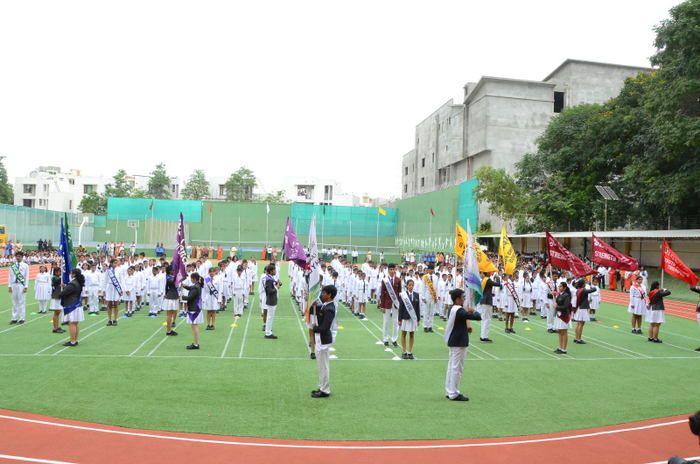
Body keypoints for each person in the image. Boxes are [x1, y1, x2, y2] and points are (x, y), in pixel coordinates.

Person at [443, 288, 482, 402]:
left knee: (452, 367)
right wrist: (473, 311)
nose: (464, 299)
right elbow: (478, 317)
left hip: (454, 341)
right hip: (458, 342)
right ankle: (453, 393)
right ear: (457, 299)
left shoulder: (453, 308)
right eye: (463, 297)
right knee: (456, 367)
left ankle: (449, 390)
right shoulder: (459, 310)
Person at [311, 285, 337, 398]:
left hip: (324, 339)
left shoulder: (330, 308)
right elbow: (316, 310)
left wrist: (314, 328)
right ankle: (322, 386)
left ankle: (325, 389)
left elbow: (325, 327)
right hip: (320, 339)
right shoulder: (325, 305)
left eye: (324, 293)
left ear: (329, 295)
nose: (322, 294)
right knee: (320, 365)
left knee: (324, 366)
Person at [59, 268, 86, 347]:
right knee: (75, 323)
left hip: (72, 305)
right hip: (77, 304)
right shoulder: (78, 282)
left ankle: (72, 341)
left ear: (74, 274)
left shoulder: (73, 283)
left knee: (72, 323)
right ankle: (75, 339)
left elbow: (64, 292)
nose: (70, 274)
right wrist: (66, 286)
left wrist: (62, 291)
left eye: (71, 273)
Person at [378, 263, 401, 346]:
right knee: (386, 321)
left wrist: (399, 304)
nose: (392, 271)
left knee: (395, 322)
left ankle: (394, 339)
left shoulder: (398, 280)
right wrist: (382, 306)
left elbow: (399, 293)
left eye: (393, 269)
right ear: (388, 270)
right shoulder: (385, 280)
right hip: (386, 303)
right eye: (390, 269)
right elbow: (382, 293)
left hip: (395, 304)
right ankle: (385, 339)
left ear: (395, 270)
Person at [398, 279, 420, 359]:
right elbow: (401, 307)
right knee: (403, 333)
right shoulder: (403, 295)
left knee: (412, 334)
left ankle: (410, 352)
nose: (411, 286)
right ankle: (404, 351)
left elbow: (418, 308)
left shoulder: (416, 295)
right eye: (409, 285)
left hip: (413, 318)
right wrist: (399, 319)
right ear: (407, 286)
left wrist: (418, 319)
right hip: (405, 317)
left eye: (412, 285)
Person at [572, 279, 597, 344]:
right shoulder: (583, 290)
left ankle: (576, 338)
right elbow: (593, 290)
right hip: (582, 308)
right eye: (584, 283)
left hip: (579, 308)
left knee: (578, 324)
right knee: (581, 324)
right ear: (583, 284)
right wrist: (593, 286)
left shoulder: (578, 290)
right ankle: (579, 339)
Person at [182, 272, 203, 350]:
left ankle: (196, 344)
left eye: (191, 278)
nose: (190, 280)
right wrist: (184, 286)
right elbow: (190, 288)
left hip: (194, 309)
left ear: (194, 279)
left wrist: (181, 297)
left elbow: (189, 297)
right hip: (196, 307)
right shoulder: (198, 285)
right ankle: (195, 343)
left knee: (194, 326)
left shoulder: (195, 287)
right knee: (194, 326)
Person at [478, 273, 501, 342]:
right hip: (487, 301)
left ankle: (482, 335)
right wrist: (498, 278)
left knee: (484, 318)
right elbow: (498, 284)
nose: (480, 274)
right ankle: (485, 336)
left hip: (483, 300)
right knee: (487, 319)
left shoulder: (483, 280)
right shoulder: (487, 280)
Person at [8, 251, 29, 324]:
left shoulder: (25, 265)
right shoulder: (12, 266)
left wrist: (26, 286)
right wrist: (9, 286)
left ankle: (22, 318)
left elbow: (27, 276)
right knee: (14, 302)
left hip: (21, 285)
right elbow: (10, 276)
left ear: (22, 257)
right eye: (17, 256)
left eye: (19, 256)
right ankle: (14, 318)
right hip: (14, 285)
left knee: (22, 302)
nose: (18, 257)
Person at [554, 282, 572, 354]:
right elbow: (557, 301)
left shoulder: (566, 295)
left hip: (564, 315)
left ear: (564, 288)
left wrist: (557, 307)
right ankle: (560, 347)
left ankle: (564, 349)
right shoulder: (559, 294)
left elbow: (566, 306)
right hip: (559, 315)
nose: (559, 287)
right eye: (559, 286)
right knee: (560, 331)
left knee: (564, 332)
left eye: (561, 286)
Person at [263, 264, 281, 339]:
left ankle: (268, 331)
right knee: (270, 317)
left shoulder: (270, 278)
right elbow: (269, 291)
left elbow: (274, 285)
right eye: (274, 270)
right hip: (271, 300)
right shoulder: (269, 279)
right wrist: (276, 287)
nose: (275, 271)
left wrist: (278, 284)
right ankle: (268, 333)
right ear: (271, 271)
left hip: (272, 300)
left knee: (270, 317)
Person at [104, 259, 123, 326]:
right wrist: (103, 290)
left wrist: (121, 290)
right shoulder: (108, 271)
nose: (115, 264)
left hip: (116, 288)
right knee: (109, 304)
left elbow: (121, 280)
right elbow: (105, 280)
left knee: (116, 304)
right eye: (114, 263)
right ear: (111, 263)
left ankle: (115, 319)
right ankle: (109, 320)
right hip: (109, 288)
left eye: (116, 263)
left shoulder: (119, 270)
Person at [163, 265, 180, 336]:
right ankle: (169, 331)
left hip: (173, 296)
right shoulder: (169, 277)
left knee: (171, 314)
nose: (174, 271)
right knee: (169, 315)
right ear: (170, 271)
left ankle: (169, 329)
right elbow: (173, 282)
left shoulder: (171, 277)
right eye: (173, 270)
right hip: (171, 297)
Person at [49, 267, 65, 333]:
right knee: (56, 312)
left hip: (59, 296)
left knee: (58, 312)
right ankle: (55, 328)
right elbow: (56, 282)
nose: (60, 273)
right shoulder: (54, 278)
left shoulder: (59, 278)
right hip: (56, 296)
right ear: (55, 272)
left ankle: (57, 326)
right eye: (58, 271)